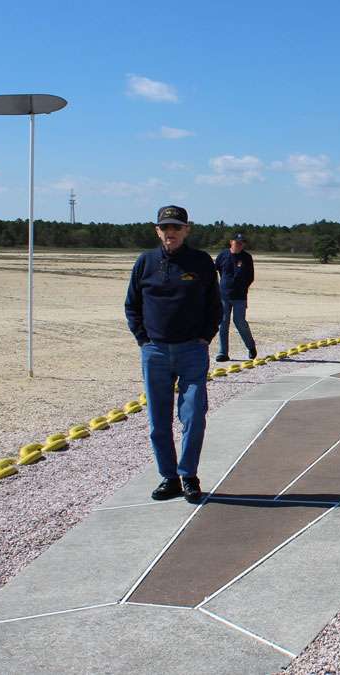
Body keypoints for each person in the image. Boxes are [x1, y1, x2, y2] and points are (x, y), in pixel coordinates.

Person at [125, 205, 221, 502]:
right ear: (157, 230)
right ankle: (169, 478)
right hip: (154, 352)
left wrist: (205, 337)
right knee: (158, 419)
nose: (171, 233)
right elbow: (132, 305)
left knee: (193, 415)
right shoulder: (145, 262)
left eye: (176, 227)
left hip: (192, 350)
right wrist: (143, 339)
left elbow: (214, 306)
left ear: (186, 229)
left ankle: (188, 474)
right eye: (165, 227)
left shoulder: (201, 262)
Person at [214, 233, 257, 362]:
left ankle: (251, 347)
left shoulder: (247, 257)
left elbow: (250, 277)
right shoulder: (223, 255)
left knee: (240, 322)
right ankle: (223, 352)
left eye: (242, 242)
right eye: (237, 242)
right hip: (223, 296)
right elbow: (215, 271)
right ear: (231, 242)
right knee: (223, 323)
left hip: (240, 297)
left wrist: (242, 288)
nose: (240, 244)